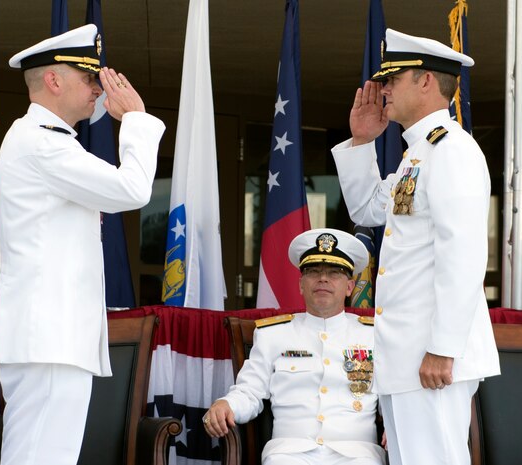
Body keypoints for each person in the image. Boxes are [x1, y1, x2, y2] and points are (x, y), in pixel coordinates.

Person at [0, 24, 165, 465]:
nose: (97, 90)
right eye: (88, 78)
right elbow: (133, 190)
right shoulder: (42, 144)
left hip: (53, 335)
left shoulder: (49, 141)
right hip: (48, 336)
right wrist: (138, 121)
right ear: (53, 81)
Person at [331, 29, 500, 465]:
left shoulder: (452, 151)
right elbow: (370, 208)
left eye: (393, 78)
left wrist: (443, 348)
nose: (382, 89)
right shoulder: (419, 154)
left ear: (426, 81)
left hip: (432, 356)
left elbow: (462, 256)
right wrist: (362, 142)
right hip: (409, 356)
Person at [204, 228, 387, 465]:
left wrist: (398, 427)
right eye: (313, 272)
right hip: (289, 455)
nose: (323, 279)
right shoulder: (273, 334)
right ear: (301, 285)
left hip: (357, 455)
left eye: (334, 273)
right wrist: (225, 404)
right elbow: (249, 391)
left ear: (350, 287)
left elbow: (390, 396)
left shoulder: (374, 335)